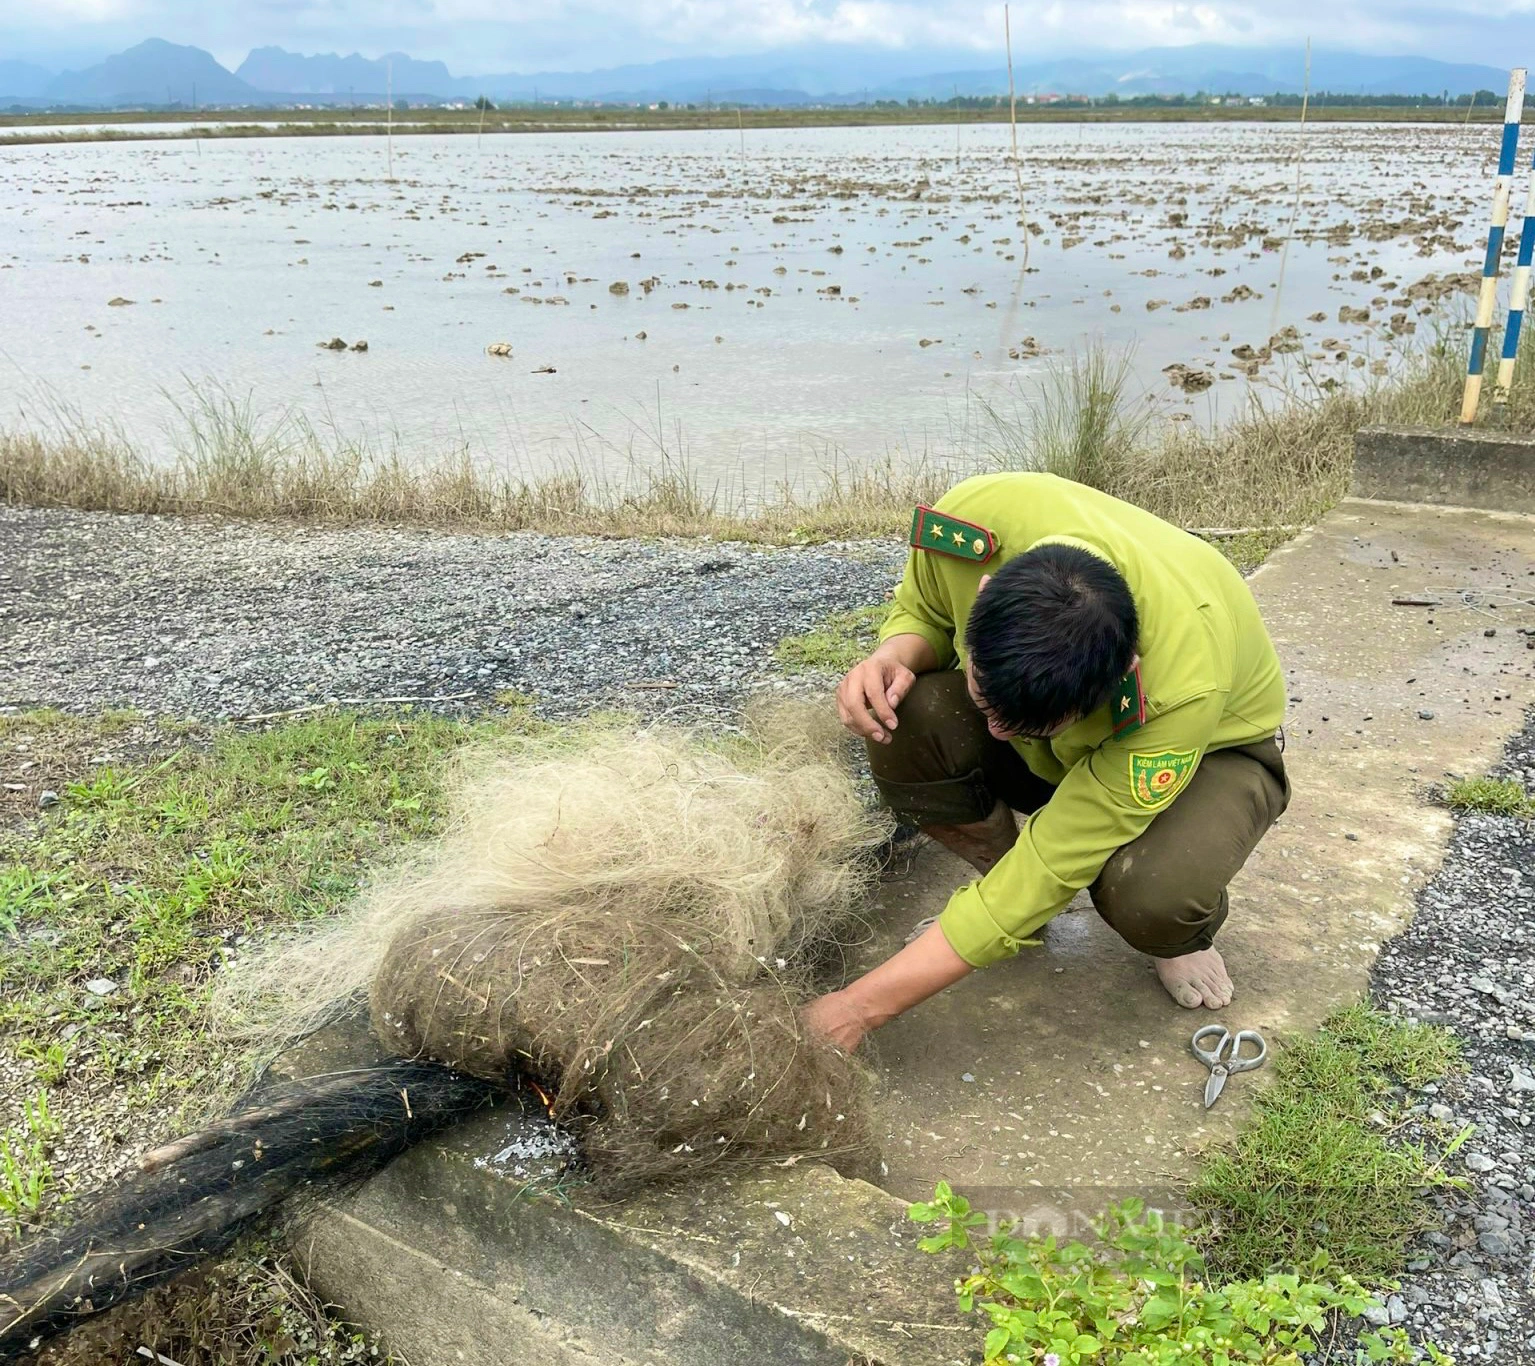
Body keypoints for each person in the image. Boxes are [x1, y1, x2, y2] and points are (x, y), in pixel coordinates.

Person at [801, 472, 1289, 1053]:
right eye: (983, 700)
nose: (995, 732)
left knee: (1151, 897)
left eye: (1023, 724)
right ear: (984, 593)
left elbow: (1054, 863)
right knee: (910, 718)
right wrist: (893, 652)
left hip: (1215, 752)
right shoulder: (971, 522)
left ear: (1126, 671)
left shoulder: (1177, 690)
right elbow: (926, 609)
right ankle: (999, 884)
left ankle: (1180, 938)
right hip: (1064, 753)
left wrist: (858, 1008)